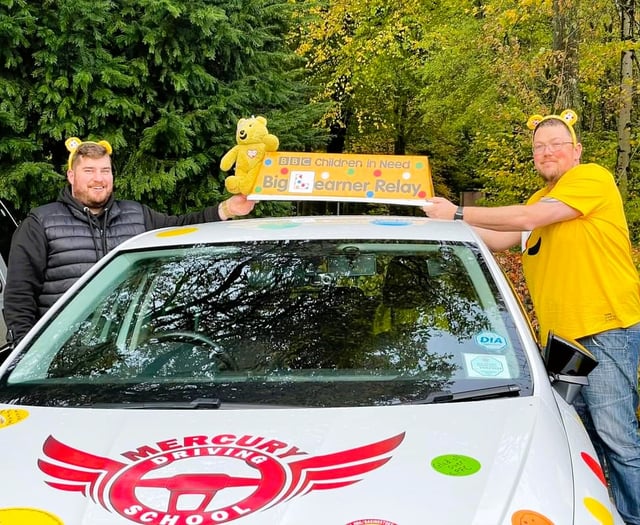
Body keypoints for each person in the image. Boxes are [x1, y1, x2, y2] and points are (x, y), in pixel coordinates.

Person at [422, 109, 640, 524]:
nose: (547, 152)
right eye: (539, 147)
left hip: (605, 329)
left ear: (576, 150)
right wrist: (436, 224)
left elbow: (525, 219)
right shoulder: (542, 200)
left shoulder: (592, 178)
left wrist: (456, 213)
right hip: (562, 342)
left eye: (556, 144)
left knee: (618, 440)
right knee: (585, 441)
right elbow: (503, 237)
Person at [3, 137, 255, 344]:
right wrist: (26, 356)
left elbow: (182, 227)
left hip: (128, 356)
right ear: (71, 176)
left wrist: (227, 209)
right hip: (62, 356)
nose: (98, 179)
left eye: (105, 170)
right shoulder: (40, 224)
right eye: (88, 171)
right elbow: (19, 298)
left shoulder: (137, 215)